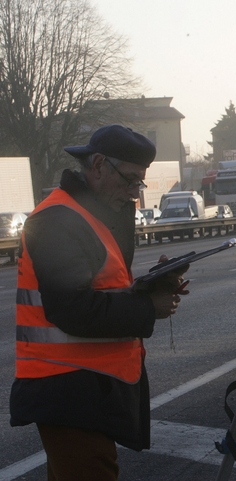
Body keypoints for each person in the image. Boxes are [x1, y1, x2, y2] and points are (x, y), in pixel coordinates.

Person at [10, 125, 189, 480]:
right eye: (131, 180)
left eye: (140, 183)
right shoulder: (59, 220)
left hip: (83, 390)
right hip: (67, 390)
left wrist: (148, 287)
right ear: (98, 166)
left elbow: (99, 290)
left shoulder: (88, 215)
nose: (135, 193)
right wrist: (147, 307)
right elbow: (73, 310)